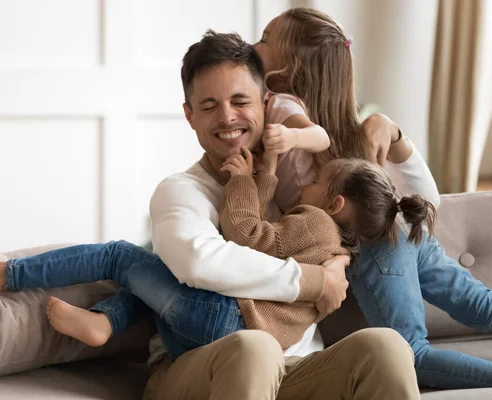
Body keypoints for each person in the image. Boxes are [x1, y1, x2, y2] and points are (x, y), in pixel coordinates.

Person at [1, 31, 421, 400]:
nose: (227, 117)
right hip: (198, 367)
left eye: (240, 101)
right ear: (189, 115)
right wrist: (315, 281)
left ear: (267, 103)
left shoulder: (302, 186)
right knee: (254, 348)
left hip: (294, 370)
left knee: (386, 348)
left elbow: (411, 209)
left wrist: (395, 136)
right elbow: (203, 262)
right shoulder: (180, 192)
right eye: (209, 106)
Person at [254, 7, 492, 390]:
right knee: (486, 305)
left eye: (266, 39)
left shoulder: (281, 114)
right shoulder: (345, 130)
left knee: (408, 354)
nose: (254, 43)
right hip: (403, 227)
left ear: (291, 68)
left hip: (374, 245)